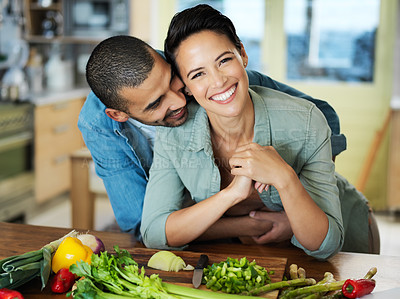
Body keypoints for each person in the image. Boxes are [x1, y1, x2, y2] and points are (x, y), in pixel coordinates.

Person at [141, 4, 376, 259]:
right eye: (198, 74)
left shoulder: (306, 121)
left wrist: (285, 178)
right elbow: (154, 233)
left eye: (224, 60)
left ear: (242, 54)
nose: (218, 81)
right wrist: (232, 194)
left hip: (348, 246)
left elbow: (325, 246)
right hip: (255, 254)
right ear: (184, 86)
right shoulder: (175, 132)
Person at [80, 35, 346, 241]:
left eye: (173, 79)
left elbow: (325, 118)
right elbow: (142, 224)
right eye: (156, 102)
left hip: (301, 222)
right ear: (118, 114)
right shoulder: (98, 126)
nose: (179, 100)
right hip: (205, 233)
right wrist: (259, 223)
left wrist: (303, 196)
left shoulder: (214, 83)